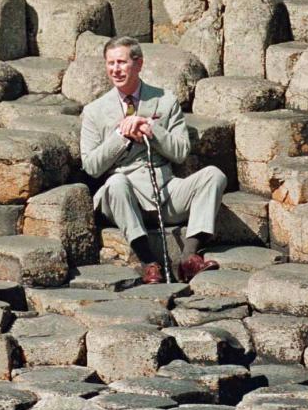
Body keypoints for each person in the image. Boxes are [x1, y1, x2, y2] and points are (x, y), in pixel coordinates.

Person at [80, 36, 227, 284]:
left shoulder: (165, 100)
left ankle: (189, 257)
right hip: (125, 197)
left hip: (166, 189)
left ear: (138, 64)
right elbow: (91, 166)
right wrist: (120, 135)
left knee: (214, 175)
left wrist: (151, 129)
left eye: (122, 62)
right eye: (111, 63)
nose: (115, 69)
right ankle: (149, 262)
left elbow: (181, 151)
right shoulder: (95, 110)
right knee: (116, 183)